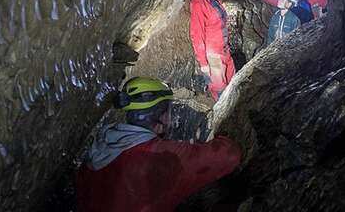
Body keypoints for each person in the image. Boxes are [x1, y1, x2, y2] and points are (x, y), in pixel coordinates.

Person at [77, 77, 241, 211]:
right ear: (161, 116)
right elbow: (229, 155)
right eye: (167, 111)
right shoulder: (159, 156)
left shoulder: (101, 146)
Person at [187, 0, 235, 102]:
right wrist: (203, 63)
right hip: (213, 56)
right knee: (220, 89)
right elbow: (197, 35)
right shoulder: (198, 3)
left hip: (224, 50)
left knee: (233, 83)